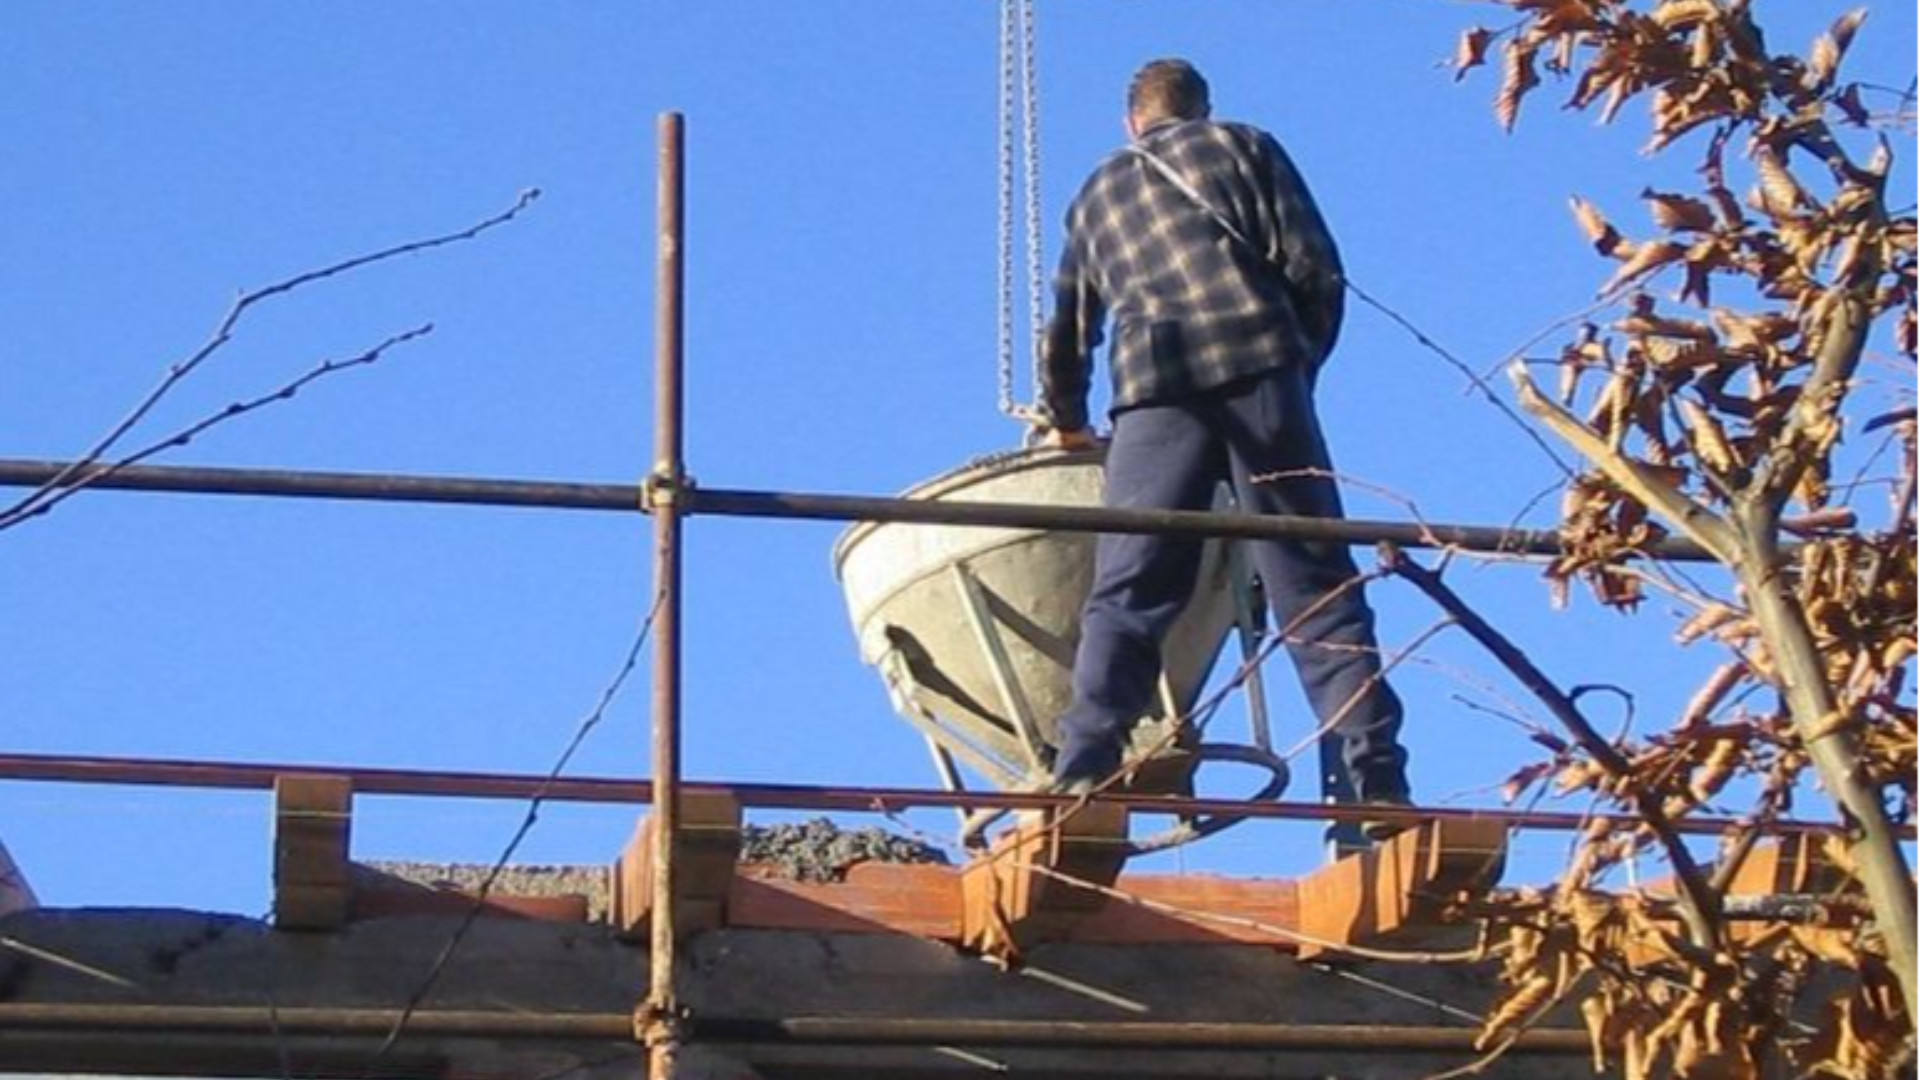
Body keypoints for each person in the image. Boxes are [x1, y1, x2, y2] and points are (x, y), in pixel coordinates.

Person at [1032, 58, 1410, 830]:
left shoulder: (1098, 191)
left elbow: (1067, 329)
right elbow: (1316, 267)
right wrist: (1294, 364)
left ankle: (1083, 774)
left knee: (1130, 589)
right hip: (1262, 375)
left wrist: (1068, 417)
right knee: (1316, 587)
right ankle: (1374, 788)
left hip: (1154, 394)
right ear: (1201, 109)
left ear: (1131, 121)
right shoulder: (1244, 147)